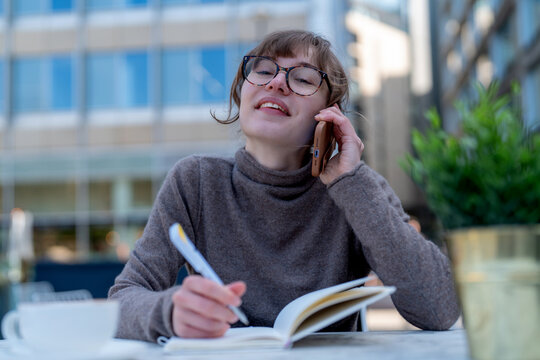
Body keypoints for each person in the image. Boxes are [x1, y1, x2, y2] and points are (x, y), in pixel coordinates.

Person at [109, 30, 460, 342]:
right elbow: (122, 299)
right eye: (263, 71)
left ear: (329, 116)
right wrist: (169, 312)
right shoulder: (195, 182)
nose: (276, 83)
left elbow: (440, 310)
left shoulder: (357, 190)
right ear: (242, 92)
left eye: (304, 79)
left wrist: (351, 184)